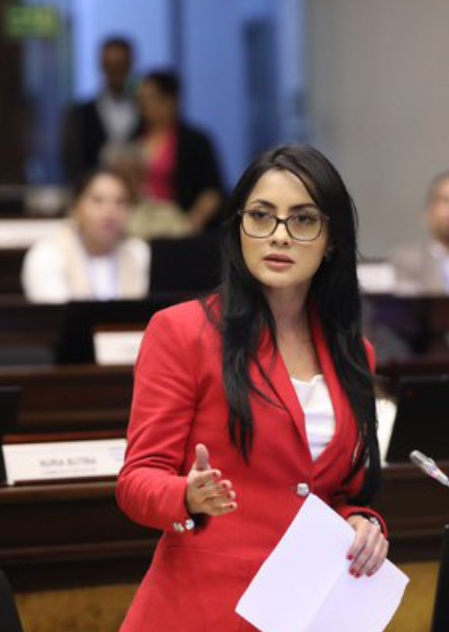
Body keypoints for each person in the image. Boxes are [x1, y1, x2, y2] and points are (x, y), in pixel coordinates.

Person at [116, 144, 388, 632]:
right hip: (203, 610)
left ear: (331, 240)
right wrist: (187, 495)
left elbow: (337, 490)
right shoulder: (181, 332)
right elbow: (137, 482)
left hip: (306, 612)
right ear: (238, 228)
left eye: (302, 220)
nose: (278, 236)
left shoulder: (354, 353)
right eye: (261, 216)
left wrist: (362, 522)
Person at [20, 169, 149, 303]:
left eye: (120, 202)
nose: (110, 211)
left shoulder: (138, 252)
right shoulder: (47, 254)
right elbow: (55, 317)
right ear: (77, 207)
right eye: (98, 201)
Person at [134, 70, 226, 234]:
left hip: (180, 226)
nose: (144, 105)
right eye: (140, 99)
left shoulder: (195, 141)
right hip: (139, 226)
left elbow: (212, 190)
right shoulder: (133, 138)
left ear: (170, 101)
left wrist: (191, 224)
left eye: (150, 98)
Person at [61, 36, 139, 184]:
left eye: (120, 64)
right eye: (110, 65)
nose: (115, 71)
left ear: (131, 65)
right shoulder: (80, 114)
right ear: (101, 65)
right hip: (95, 194)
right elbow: (71, 162)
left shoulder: (144, 110)